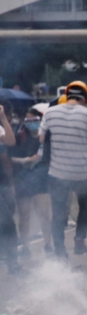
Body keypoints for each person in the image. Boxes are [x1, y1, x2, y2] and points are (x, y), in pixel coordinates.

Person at [39, 81, 87, 258]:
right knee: (86, 207)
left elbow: (42, 139)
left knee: (58, 212)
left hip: (57, 173)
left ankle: (60, 252)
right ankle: (79, 242)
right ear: (85, 98)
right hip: (81, 173)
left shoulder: (50, 112)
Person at [9, 106, 52, 258]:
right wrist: (26, 160)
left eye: (34, 120)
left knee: (44, 214)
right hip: (22, 178)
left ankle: (48, 244)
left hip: (41, 179)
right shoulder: (20, 136)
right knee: (24, 215)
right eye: (28, 120)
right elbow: (10, 158)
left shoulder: (46, 137)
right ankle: (25, 246)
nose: (31, 123)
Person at [0, 103, 20, 273]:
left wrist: (2, 117)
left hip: (2, 182)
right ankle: (13, 263)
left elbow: (11, 141)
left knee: (8, 218)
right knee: (7, 222)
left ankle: (10, 258)